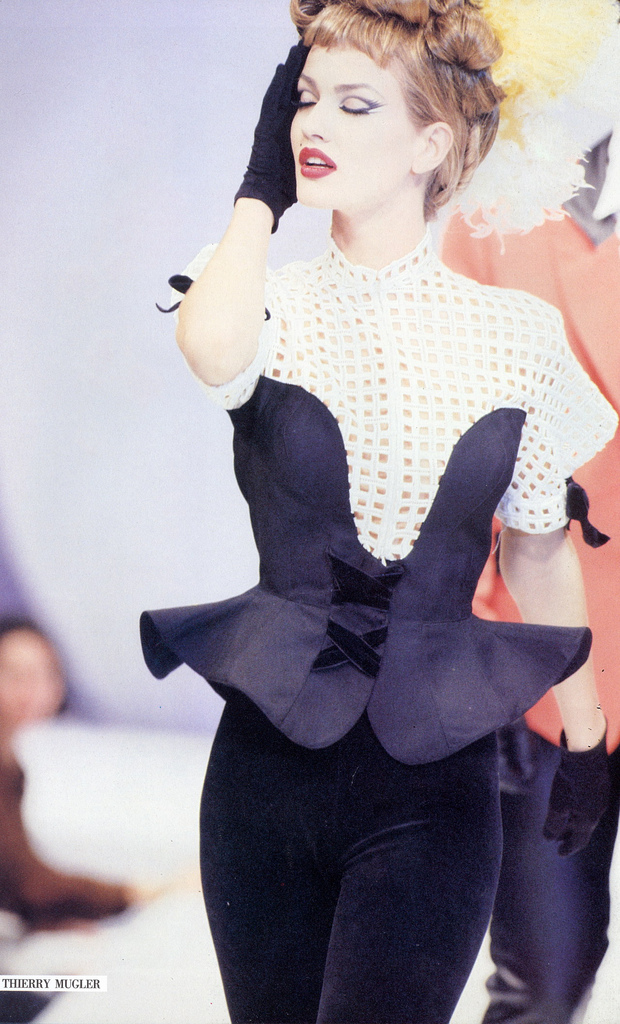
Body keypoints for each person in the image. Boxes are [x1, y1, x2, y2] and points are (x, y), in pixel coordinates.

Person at [140, 2, 618, 1021]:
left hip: (432, 790)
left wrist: (586, 746)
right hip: (261, 779)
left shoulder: (516, 336)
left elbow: (537, 552)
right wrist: (260, 191)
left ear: (431, 145)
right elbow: (212, 351)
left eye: (354, 106)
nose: (314, 125)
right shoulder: (268, 304)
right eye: (304, 100)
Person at [442, 127, 620, 1024]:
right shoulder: (499, 206)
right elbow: (445, 452)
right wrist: (473, 654)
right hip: (542, 660)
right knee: (545, 980)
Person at [0, 616, 135, 930]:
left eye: (47, 675)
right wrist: (134, 892)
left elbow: (13, 882)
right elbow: (28, 885)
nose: (32, 690)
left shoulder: (12, 766)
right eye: (16, 674)